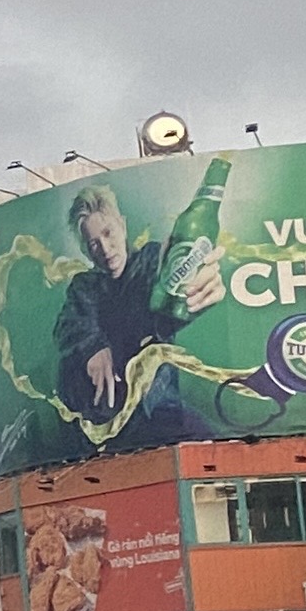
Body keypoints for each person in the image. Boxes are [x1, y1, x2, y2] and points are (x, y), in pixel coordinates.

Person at [48, 178, 223, 456]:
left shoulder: (151, 261)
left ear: (123, 225)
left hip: (156, 407)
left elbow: (165, 311)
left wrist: (198, 285)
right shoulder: (85, 285)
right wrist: (92, 347)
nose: (105, 249)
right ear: (85, 250)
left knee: (210, 447)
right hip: (102, 423)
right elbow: (68, 325)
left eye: (108, 233)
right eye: (93, 244)